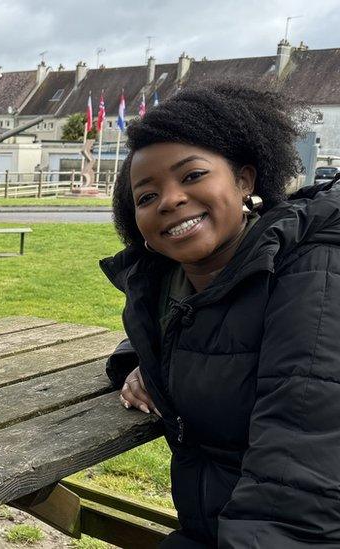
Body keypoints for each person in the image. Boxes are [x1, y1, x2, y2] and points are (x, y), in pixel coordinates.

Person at [101, 83, 340, 547]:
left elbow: (297, 487)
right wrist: (143, 362)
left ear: (246, 180)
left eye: (191, 176)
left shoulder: (312, 275)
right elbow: (207, 331)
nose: (169, 199)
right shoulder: (170, 283)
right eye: (146, 197)